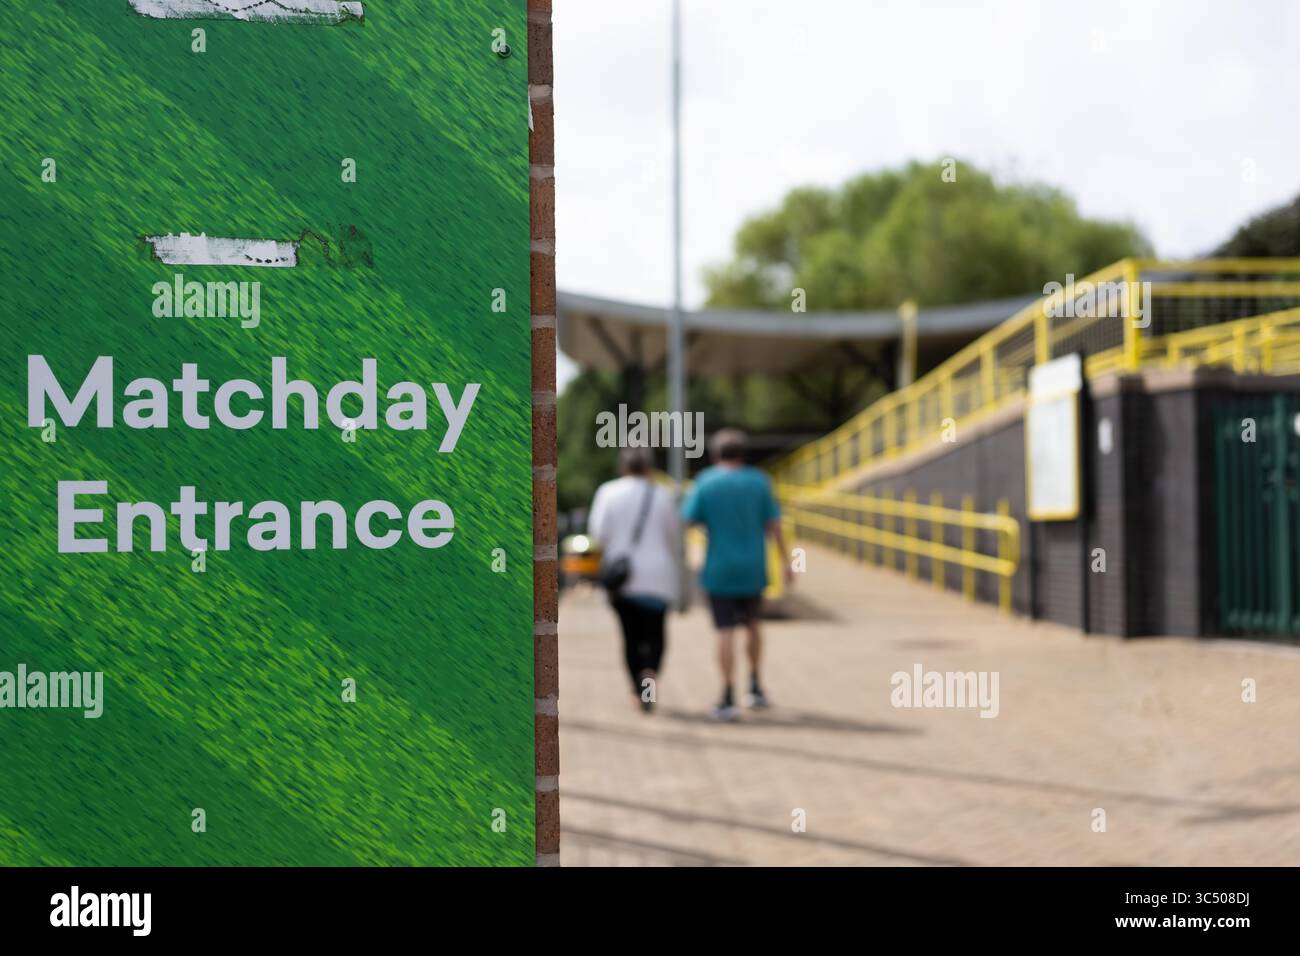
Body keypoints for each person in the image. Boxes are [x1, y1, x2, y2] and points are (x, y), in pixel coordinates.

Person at [682, 428, 790, 721]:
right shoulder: (759, 481)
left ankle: (728, 695)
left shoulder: (705, 482)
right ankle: (755, 686)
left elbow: (687, 521)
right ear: (743, 453)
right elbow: (775, 526)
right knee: (754, 624)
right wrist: (787, 563)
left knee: (724, 630)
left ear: (716, 454)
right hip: (754, 567)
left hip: (719, 568)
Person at [588, 448, 681, 713]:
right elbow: (673, 535)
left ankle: (638, 692)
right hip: (658, 576)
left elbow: (598, 533)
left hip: (623, 578)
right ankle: (650, 673)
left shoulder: (608, 492)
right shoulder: (663, 495)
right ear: (649, 468)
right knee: (656, 634)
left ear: (622, 467)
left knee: (630, 638)